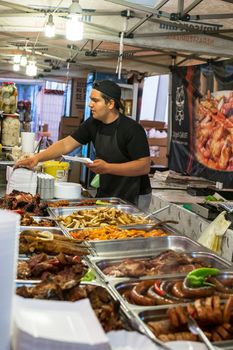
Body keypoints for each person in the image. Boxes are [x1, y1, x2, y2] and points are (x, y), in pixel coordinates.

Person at [16, 80, 152, 209]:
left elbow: (144, 166)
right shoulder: (93, 123)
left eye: (95, 100)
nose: (90, 104)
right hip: (108, 190)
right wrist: (37, 158)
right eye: (90, 99)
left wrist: (108, 168)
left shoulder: (132, 129)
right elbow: (66, 144)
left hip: (135, 195)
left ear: (110, 104)